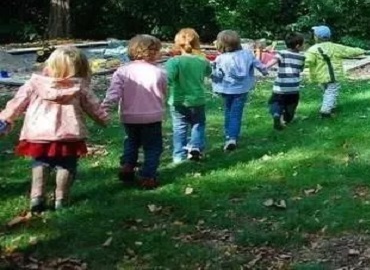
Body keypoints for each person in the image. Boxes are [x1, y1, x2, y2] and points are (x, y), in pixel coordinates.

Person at [0, 46, 109, 212]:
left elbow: (17, 102)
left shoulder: (34, 84)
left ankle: (37, 197)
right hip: (69, 134)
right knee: (66, 166)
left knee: (40, 163)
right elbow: (94, 107)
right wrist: (103, 120)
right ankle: (61, 199)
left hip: (39, 133)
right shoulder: (80, 88)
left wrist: (6, 118)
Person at [102, 35, 167, 189]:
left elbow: (113, 94)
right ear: (152, 52)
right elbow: (163, 91)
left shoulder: (122, 71)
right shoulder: (159, 72)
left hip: (129, 116)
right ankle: (148, 176)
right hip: (152, 116)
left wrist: (104, 109)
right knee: (153, 147)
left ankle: (128, 165)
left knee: (131, 141)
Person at [211, 30, 269, 151]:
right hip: (242, 89)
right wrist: (264, 71)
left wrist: (213, 79)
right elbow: (258, 64)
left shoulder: (220, 58)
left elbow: (217, 75)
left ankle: (228, 135)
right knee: (236, 113)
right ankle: (232, 137)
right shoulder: (247, 54)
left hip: (226, 90)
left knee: (228, 110)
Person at [166, 28, 212, 163]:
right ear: (197, 43)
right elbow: (209, 72)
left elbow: (167, 79)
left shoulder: (173, 62)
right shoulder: (202, 61)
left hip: (177, 100)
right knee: (198, 124)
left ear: (177, 44)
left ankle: (178, 156)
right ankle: (195, 147)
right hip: (198, 100)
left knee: (179, 127)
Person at [304, 25, 365, 118]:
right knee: (331, 91)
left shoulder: (312, 50)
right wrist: (362, 51)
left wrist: (297, 65)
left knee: (327, 91)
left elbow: (307, 61)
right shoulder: (335, 47)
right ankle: (325, 111)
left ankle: (331, 106)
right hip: (334, 75)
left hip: (320, 76)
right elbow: (349, 50)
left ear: (316, 37)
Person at [266, 33, 306, 130]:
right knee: (291, 106)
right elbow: (300, 69)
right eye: (303, 44)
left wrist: (265, 67)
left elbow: (273, 61)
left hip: (280, 87)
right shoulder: (302, 57)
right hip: (293, 88)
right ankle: (286, 119)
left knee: (275, 102)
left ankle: (276, 114)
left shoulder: (282, 53)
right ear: (298, 46)